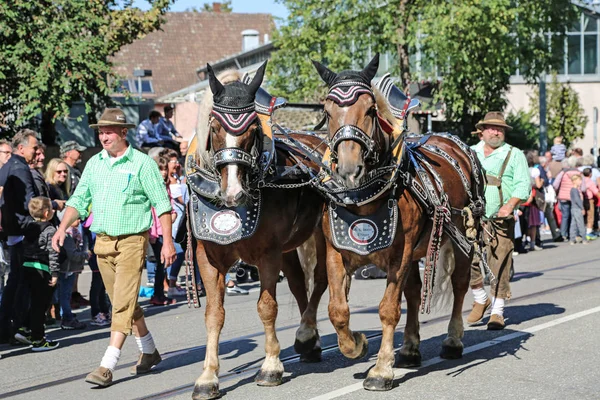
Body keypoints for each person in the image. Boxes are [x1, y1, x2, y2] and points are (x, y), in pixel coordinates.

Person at [51, 108, 176, 387]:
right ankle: (150, 351)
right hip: (102, 243)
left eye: (108, 131)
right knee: (125, 303)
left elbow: (163, 206)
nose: (103, 135)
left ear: (123, 132)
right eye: (100, 131)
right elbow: (78, 200)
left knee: (120, 303)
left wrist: (167, 242)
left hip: (133, 240)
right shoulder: (95, 163)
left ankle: (107, 365)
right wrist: (61, 228)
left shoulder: (142, 164)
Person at [468, 112, 530, 330]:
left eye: (500, 129)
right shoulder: (470, 152)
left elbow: (524, 186)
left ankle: (497, 311)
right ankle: (479, 297)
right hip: (471, 219)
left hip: (499, 220)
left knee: (499, 263)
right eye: (492, 128)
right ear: (482, 131)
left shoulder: (514, 154)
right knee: (465, 260)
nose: (496, 132)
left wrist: (509, 206)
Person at [0, 129, 39, 343]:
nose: (37, 152)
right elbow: (30, 204)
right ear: (22, 148)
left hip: (15, 233)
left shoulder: (9, 166)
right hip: (23, 233)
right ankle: (19, 327)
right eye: (34, 148)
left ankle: (9, 328)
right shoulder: (19, 167)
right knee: (22, 282)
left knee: (15, 282)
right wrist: (51, 206)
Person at [18, 196, 60, 351]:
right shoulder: (49, 229)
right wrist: (55, 273)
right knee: (40, 305)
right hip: (42, 269)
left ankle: (25, 328)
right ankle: (39, 340)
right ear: (47, 213)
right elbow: (53, 252)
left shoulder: (29, 227)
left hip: (27, 267)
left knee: (34, 302)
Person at [58, 219, 88, 330]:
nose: (79, 220)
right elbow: (72, 254)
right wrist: (85, 255)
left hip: (68, 269)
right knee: (65, 295)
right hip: (67, 269)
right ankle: (67, 318)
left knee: (64, 294)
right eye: (75, 218)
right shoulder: (67, 236)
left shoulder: (71, 233)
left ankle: (64, 314)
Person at [553, 156, 581, 241]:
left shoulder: (563, 172)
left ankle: (563, 234)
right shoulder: (579, 173)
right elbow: (583, 186)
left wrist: (557, 191)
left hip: (563, 196)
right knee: (574, 215)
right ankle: (573, 234)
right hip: (575, 196)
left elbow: (555, 184)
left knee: (565, 216)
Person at [569, 174, 587, 245]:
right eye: (579, 180)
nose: (581, 182)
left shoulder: (572, 190)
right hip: (577, 209)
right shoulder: (575, 190)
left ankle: (572, 239)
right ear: (574, 181)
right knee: (581, 224)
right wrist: (582, 208)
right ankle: (584, 239)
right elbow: (577, 200)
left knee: (573, 224)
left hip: (573, 208)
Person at [582, 168, 599, 240]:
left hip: (582, 200)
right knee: (590, 216)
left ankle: (583, 232)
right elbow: (595, 191)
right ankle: (588, 233)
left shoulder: (581, 180)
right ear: (590, 174)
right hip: (589, 200)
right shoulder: (590, 181)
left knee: (583, 216)